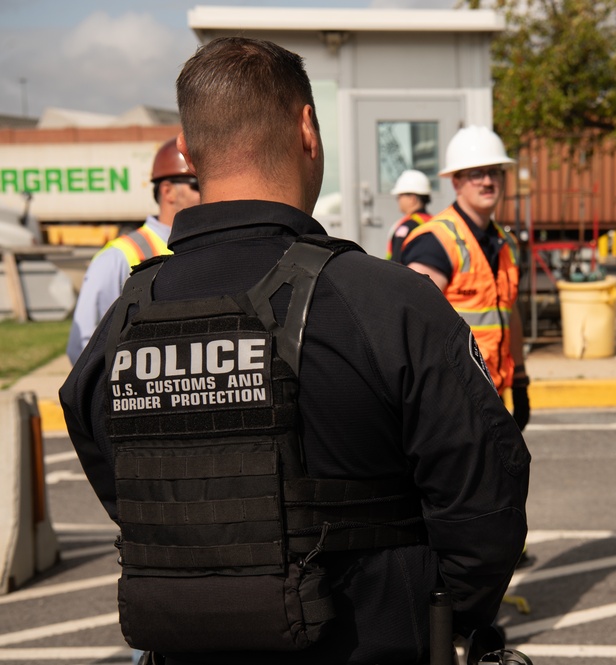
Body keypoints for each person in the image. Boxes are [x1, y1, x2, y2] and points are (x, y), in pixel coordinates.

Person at [59, 37, 530, 664]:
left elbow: (116, 476)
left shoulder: (127, 317)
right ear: (307, 127)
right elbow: (485, 505)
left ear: (193, 150)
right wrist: (439, 614)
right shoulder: (388, 303)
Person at [401, 126, 531, 431]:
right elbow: (408, 327)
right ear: (456, 181)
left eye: (494, 172)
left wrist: (521, 379)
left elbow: (509, 315)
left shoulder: (504, 243)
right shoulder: (435, 241)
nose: (487, 181)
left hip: (493, 395)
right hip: (449, 403)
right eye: (476, 173)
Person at [66, 137, 199, 364]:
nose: (206, 193)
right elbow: (82, 347)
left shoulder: (200, 248)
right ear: (168, 192)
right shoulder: (117, 257)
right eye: (197, 185)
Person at [386, 169, 433, 262]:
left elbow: (396, 262)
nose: (398, 200)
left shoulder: (406, 227)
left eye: (400, 196)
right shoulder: (435, 221)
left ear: (412, 199)